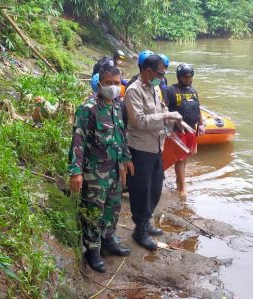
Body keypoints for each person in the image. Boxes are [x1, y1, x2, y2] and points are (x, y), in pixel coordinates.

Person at [68, 65, 135, 273]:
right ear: (99, 84)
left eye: (117, 83)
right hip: (95, 173)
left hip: (114, 169)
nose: (113, 87)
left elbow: (120, 136)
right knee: (94, 212)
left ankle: (108, 240)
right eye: (108, 83)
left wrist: (126, 159)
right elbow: (77, 141)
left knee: (113, 208)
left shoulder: (116, 105)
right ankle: (92, 251)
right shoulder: (88, 109)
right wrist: (76, 171)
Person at [125, 54, 183, 251]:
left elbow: (159, 110)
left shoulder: (154, 87)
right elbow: (139, 121)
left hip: (157, 145)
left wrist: (171, 123)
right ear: (148, 71)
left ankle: (146, 221)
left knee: (156, 186)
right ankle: (139, 229)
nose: (162, 76)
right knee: (141, 189)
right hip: (141, 147)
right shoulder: (134, 90)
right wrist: (166, 115)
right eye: (160, 72)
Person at [165, 63, 205, 198]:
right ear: (179, 77)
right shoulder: (171, 90)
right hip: (178, 130)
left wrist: (201, 124)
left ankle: (178, 180)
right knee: (180, 159)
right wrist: (168, 129)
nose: (188, 79)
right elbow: (164, 109)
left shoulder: (193, 91)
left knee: (186, 156)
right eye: (185, 77)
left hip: (191, 129)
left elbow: (198, 108)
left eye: (190, 77)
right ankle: (182, 187)